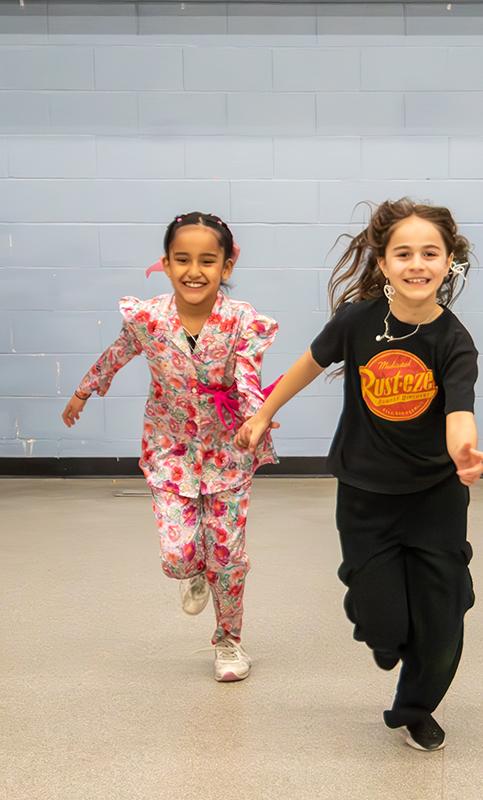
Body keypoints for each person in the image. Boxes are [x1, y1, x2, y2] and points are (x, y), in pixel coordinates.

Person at [235, 199, 483, 752]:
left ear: (449, 262)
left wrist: (465, 452)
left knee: (441, 621)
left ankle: (415, 709)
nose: (417, 264)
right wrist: (261, 414)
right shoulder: (357, 320)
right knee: (383, 625)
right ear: (381, 260)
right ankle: (384, 627)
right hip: (366, 494)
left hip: (435, 497)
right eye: (404, 253)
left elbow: (458, 412)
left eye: (430, 253)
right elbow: (306, 365)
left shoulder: (454, 341)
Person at [62, 212, 277, 682]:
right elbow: (117, 353)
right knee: (178, 556)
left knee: (230, 555)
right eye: (182, 259)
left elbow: (247, 377)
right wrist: (83, 390)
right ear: (166, 263)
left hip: (228, 450)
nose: (193, 270)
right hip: (170, 448)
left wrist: (256, 419)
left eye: (207, 260)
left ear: (227, 265)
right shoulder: (149, 318)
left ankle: (229, 643)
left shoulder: (243, 321)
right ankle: (194, 570)